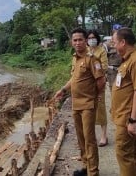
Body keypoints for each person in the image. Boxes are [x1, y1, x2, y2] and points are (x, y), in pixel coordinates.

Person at [55, 28, 106, 176]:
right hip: (76, 104)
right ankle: (85, 166)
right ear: (72, 42)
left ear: (85, 41)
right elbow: (74, 79)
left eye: (80, 40)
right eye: (75, 40)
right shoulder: (75, 58)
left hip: (88, 105)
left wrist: (96, 95)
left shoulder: (92, 59)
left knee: (89, 139)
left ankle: (93, 171)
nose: (77, 42)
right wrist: (63, 90)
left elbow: (101, 81)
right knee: (81, 137)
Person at [111, 27, 136, 176]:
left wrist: (133, 120)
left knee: (124, 153)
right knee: (133, 151)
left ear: (123, 42)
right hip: (123, 115)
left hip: (128, 118)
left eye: (114, 42)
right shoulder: (128, 59)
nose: (113, 45)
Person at [87, 29, 109, 147]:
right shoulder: (85, 51)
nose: (91, 40)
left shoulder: (101, 51)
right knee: (88, 110)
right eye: (89, 38)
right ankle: (91, 136)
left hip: (99, 84)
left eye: (93, 38)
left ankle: (104, 135)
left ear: (97, 38)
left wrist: (94, 58)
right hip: (87, 86)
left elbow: (104, 67)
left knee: (100, 109)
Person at [103, 24, 123, 90]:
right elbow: (103, 59)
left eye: (119, 31)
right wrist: (104, 73)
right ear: (113, 31)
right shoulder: (107, 44)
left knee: (123, 89)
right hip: (112, 71)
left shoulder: (123, 43)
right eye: (116, 31)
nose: (117, 33)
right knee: (114, 89)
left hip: (123, 69)